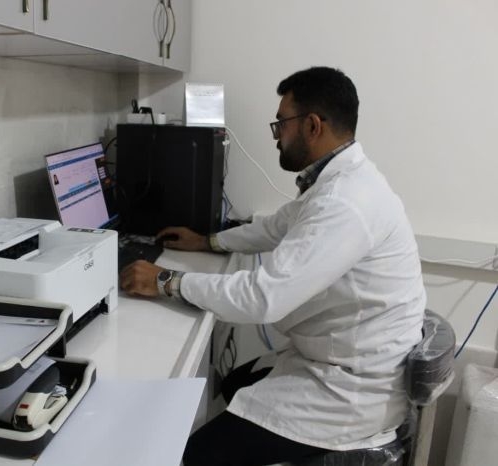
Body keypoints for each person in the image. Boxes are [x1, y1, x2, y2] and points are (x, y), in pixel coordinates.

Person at [119, 66, 426, 466]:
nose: (277, 135)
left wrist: (166, 280)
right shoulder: (341, 181)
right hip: (340, 362)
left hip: (348, 394)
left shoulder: (345, 202)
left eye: (281, 123)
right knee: (234, 383)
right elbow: (276, 227)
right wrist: (207, 241)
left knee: (192, 456)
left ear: (312, 125)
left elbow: (263, 298)